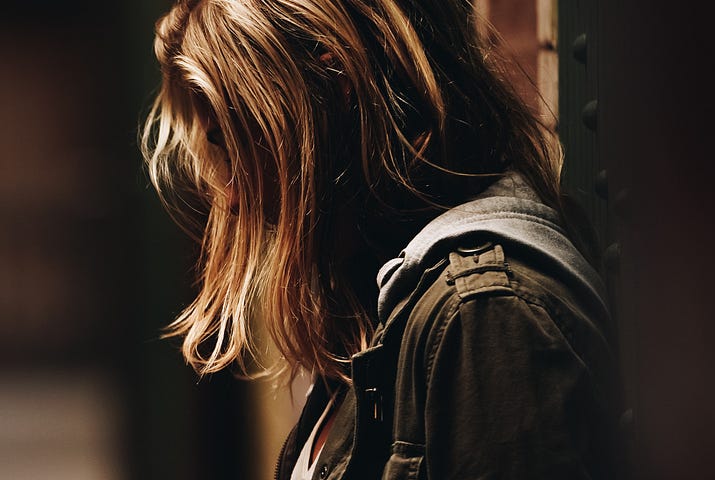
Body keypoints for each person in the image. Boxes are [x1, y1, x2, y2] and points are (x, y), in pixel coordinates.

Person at [140, 0, 625, 478]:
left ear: (333, 88)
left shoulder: (484, 313)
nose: (231, 200)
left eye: (240, 141)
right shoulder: (379, 309)